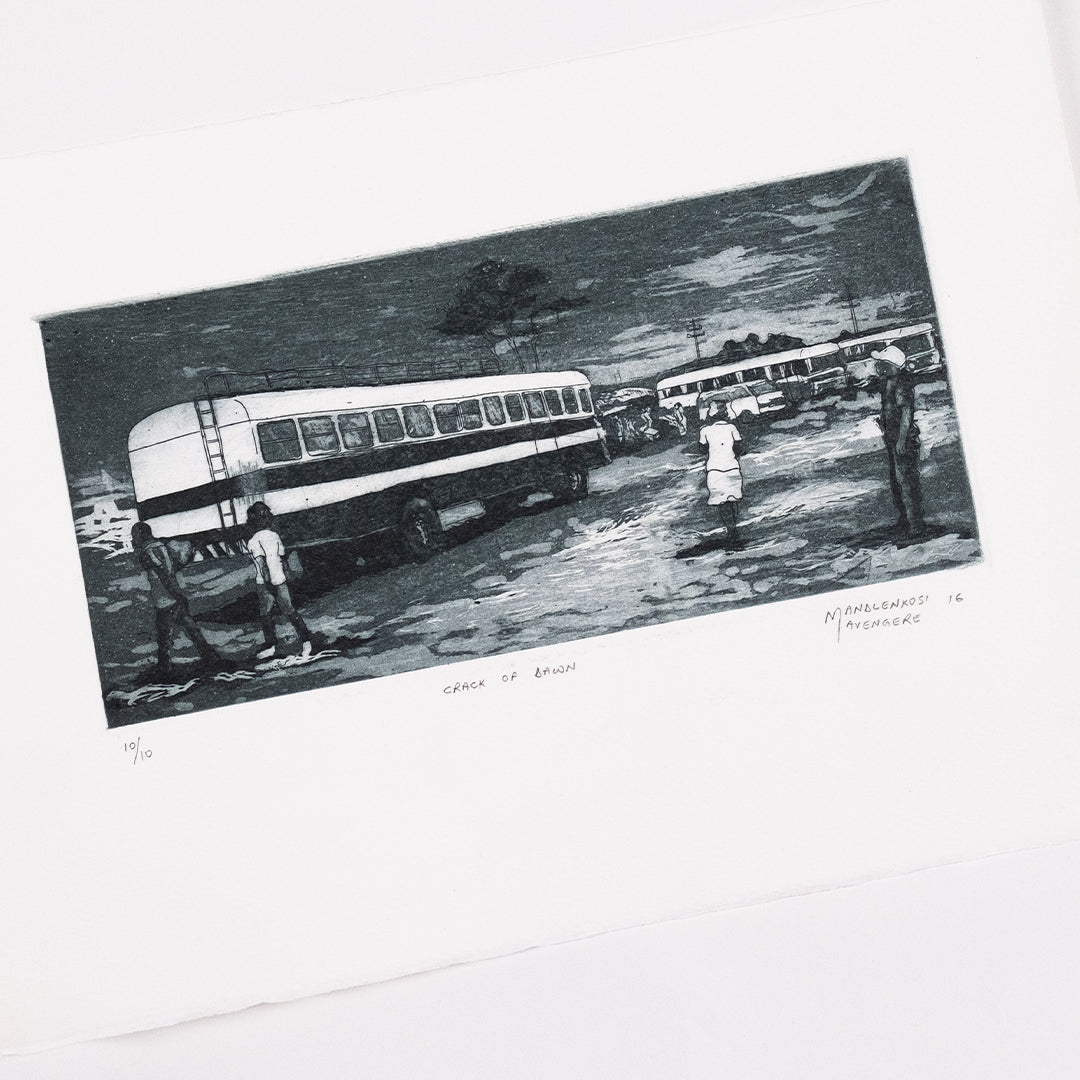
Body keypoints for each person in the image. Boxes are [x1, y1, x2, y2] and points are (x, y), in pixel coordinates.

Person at [131, 521, 224, 677]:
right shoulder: (162, 547)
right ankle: (211, 658)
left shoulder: (146, 554)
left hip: (164, 601)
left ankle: (165, 669)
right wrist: (179, 595)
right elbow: (171, 570)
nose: (133, 539)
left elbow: (164, 575)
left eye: (134, 536)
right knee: (192, 630)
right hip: (174, 598)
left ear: (141, 535)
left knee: (164, 639)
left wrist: (176, 594)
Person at [871, 343, 926, 538]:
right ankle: (905, 521)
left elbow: (906, 414)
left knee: (907, 483)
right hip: (893, 439)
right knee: (897, 483)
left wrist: (901, 440)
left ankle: (915, 525)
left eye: (882, 364)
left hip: (904, 441)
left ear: (892, 365)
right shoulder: (888, 383)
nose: (878, 367)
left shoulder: (901, 384)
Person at [245, 502, 313, 659]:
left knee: (266, 614)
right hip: (279, 579)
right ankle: (306, 642)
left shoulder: (253, 541)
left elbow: (262, 565)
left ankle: (271, 646)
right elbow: (282, 560)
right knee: (289, 610)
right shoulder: (274, 536)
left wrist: (269, 583)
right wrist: (287, 576)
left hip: (265, 582)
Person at [698, 402, 745, 537]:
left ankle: (731, 530)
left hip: (714, 470)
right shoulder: (732, 428)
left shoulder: (705, 430)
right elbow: (739, 448)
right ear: (724, 414)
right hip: (731, 467)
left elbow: (702, 450)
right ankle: (733, 528)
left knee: (721, 502)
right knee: (733, 499)